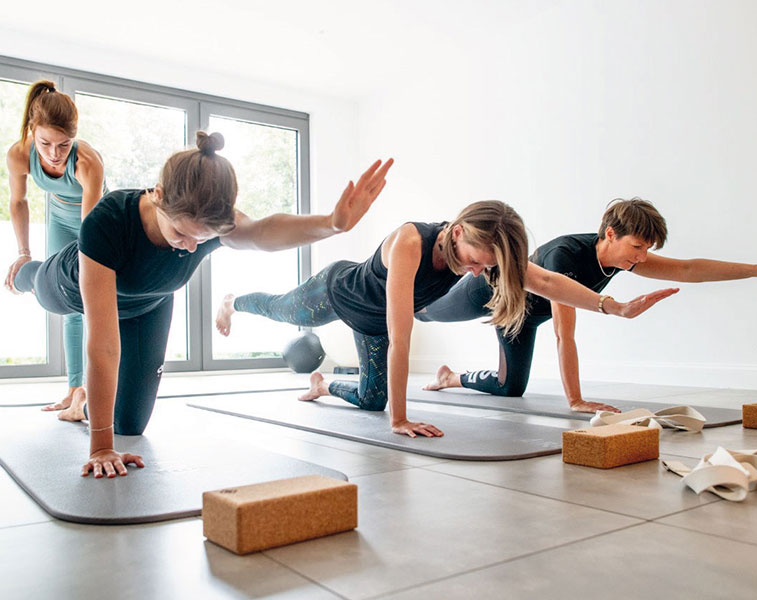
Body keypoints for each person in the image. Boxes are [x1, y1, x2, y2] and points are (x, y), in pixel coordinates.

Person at [13, 130, 393, 478]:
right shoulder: (109, 221)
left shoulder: (213, 221)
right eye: (180, 233)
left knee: (129, 424)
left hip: (147, 304)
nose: (191, 247)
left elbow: (262, 232)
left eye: (203, 239)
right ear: (157, 195)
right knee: (38, 287)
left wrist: (333, 223)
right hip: (71, 285)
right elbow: (103, 345)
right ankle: (22, 271)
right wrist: (99, 447)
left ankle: (82, 405)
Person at [215, 200, 676, 437]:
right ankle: (235, 301)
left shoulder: (484, 253)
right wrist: (401, 419)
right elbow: (402, 338)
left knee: (371, 400)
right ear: (457, 234)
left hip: (371, 324)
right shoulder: (410, 242)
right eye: (477, 259)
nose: (479, 271)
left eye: (488, 264)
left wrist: (611, 306)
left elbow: (552, 284)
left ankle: (322, 385)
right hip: (337, 294)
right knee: (280, 309)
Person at [417, 198, 757, 412]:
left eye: (648, 250)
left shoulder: (621, 257)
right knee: (430, 310)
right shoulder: (565, 257)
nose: (642, 256)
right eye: (637, 247)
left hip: (521, 318)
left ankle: (450, 377)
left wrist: (756, 270)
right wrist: (576, 400)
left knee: (510, 389)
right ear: (611, 234)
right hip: (492, 296)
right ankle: (409, 304)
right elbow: (564, 334)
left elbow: (686, 268)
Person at [4, 80, 106, 409]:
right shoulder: (19, 154)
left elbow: (90, 226)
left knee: (88, 300)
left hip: (95, 221)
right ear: (33, 129)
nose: (54, 153)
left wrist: (89, 270)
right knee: (68, 304)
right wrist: (24, 253)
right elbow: (18, 203)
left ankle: (95, 389)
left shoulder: (88, 162)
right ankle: (74, 389)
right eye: (46, 142)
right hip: (60, 218)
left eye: (64, 145)